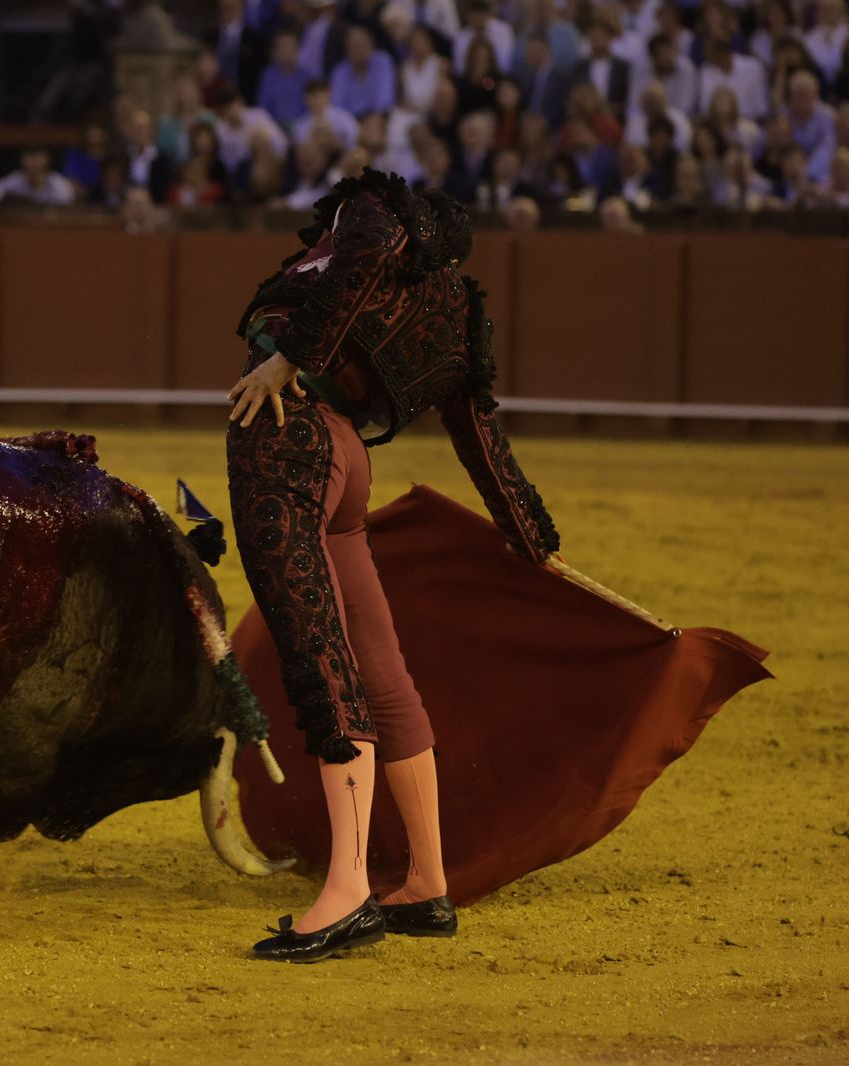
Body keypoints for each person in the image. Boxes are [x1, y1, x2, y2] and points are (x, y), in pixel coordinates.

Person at [225, 169, 559, 962]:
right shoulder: (455, 308)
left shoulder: (368, 215)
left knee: (321, 660)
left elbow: (371, 245)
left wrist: (289, 357)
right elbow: (480, 434)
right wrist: (531, 534)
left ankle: (347, 891)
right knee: (381, 674)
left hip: (287, 439)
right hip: (347, 461)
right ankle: (426, 882)